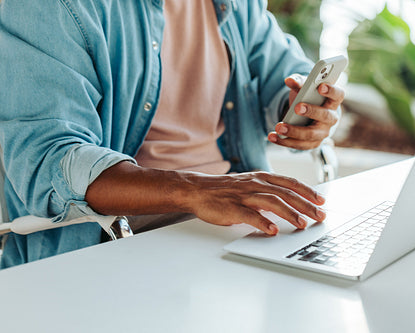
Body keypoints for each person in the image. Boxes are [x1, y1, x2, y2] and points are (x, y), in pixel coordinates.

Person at [0, 0, 344, 268]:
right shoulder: (53, 7)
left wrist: (303, 110)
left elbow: (278, 70)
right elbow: (48, 160)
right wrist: (196, 190)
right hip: (118, 236)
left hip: (234, 210)